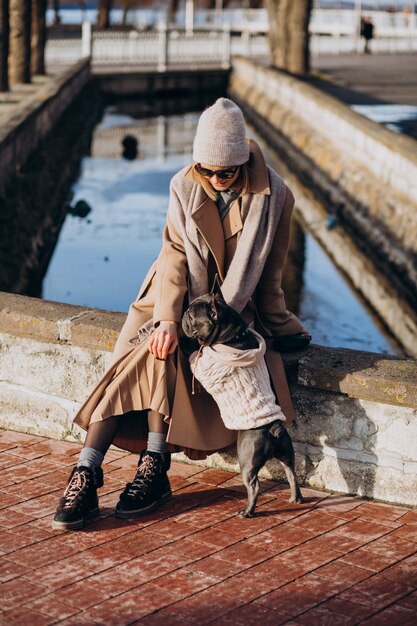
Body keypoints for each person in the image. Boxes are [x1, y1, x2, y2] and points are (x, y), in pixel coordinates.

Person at [52, 98, 308, 531]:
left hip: (226, 315)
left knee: (155, 358)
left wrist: (282, 327)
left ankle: (146, 470)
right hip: (171, 297)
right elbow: (172, 253)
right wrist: (169, 318)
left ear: (243, 163)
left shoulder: (275, 197)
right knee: (154, 347)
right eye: (203, 169)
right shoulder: (183, 184)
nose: (212, 180)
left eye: (223, 172)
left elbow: (270, 277)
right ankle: (90, 471)